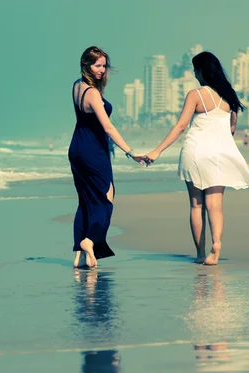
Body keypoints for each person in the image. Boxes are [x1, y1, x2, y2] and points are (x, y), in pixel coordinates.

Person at [144, 51, 249, 265]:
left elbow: (180, 126)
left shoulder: (196, 95)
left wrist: (157, 151)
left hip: (196, 152)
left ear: (201, 71)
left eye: (196, 70)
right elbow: (231, 129)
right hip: (220, 153)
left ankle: (200, 253)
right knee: (215, 205)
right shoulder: (229, 96)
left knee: (197, 205)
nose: (195, 74)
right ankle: (217, 244)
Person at [69, 46, 145, 269]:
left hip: (77, 148)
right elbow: (108, 127)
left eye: (104, 65)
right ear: (87, 66)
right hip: (93, 150)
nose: (102, 70)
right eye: (97, 65)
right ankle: (90, 240)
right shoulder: (92, 93)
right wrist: (131, 152)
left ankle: (79, 254)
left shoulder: (77, 86)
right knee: (106, 197)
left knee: (85, 200)